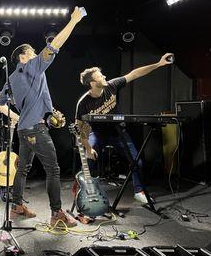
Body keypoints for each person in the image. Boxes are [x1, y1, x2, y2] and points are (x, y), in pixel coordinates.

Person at [0, 6, 84, 227]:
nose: (36, 54)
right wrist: (73, 20)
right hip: (35, 128)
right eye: (32, 52)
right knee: (53, 169)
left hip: (24, 130)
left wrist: (18, 118)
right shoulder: (32, 67)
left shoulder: (11, 78)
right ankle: (56, 213)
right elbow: (54, 45)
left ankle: (17, 205)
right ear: (23, 57)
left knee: (23, 168)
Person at [75, 53, 174, 203]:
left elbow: (134, 74)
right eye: (100, 76)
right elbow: (81, 128)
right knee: (89, 161)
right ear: (92, 83)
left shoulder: (112, 86)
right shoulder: (83, 103)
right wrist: (88, 148)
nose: (104, 77)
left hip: (118, 133)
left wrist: (159, 64)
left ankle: (139, 191)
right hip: (97, 134)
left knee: (137, 162)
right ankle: (89, 193)